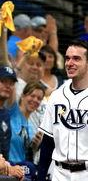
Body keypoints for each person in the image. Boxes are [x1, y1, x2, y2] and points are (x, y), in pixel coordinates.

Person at [38, 40, 88, 181]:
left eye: (76, 59)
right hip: (59, 173)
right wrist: (41, 176)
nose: (69, 63)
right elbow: (48, 140)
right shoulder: (56, 96)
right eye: (67, 58)